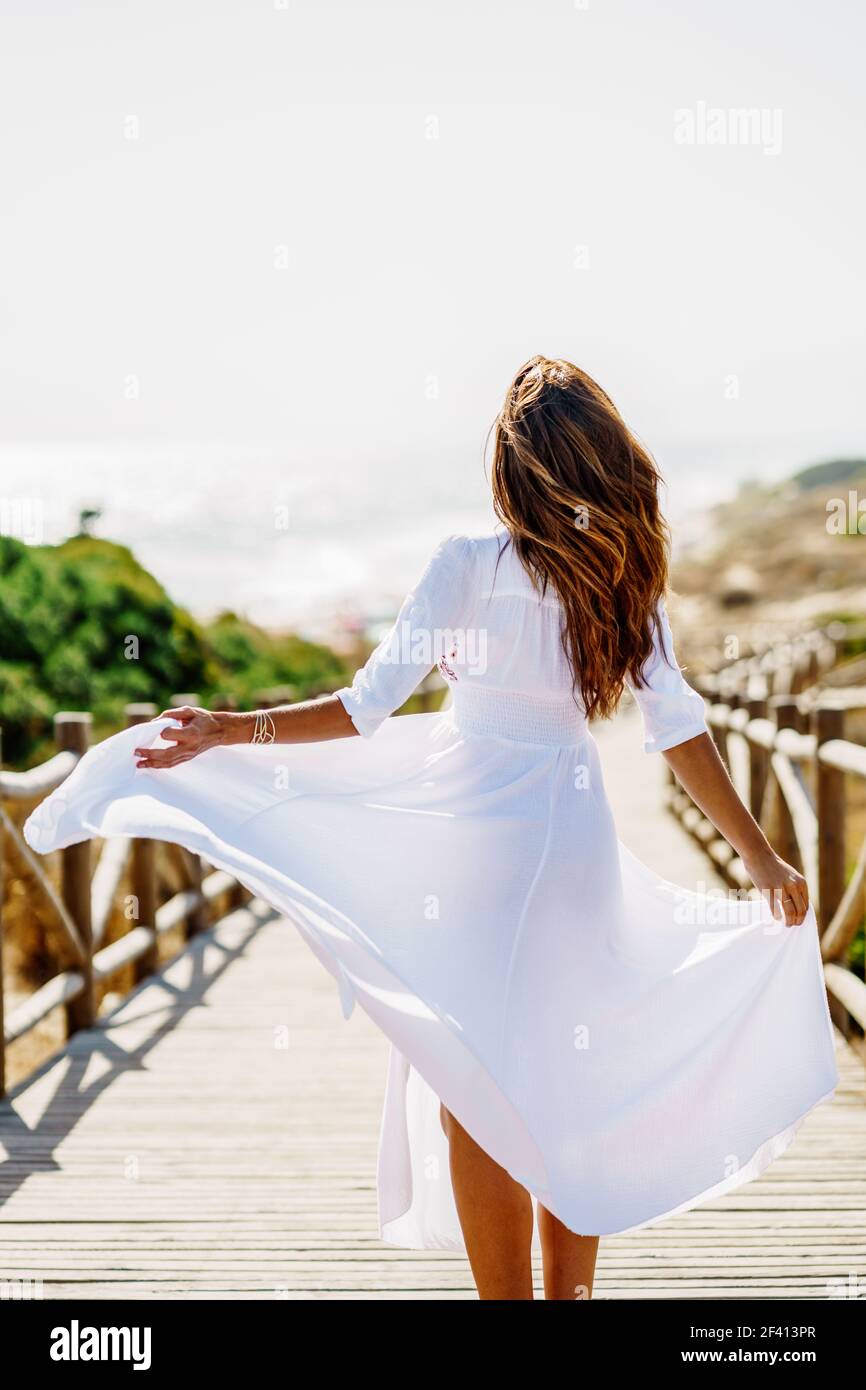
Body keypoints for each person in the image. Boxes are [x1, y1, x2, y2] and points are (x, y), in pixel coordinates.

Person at [25, 356, 838, 1300]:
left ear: (513, 465)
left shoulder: (467, 564)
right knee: (566, 1075)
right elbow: (680, 730)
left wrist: (228, 730)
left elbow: (362, 709)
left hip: (476, 849)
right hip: (573, 846)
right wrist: (760, 855)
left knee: (478, 1083)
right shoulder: (623, 575)